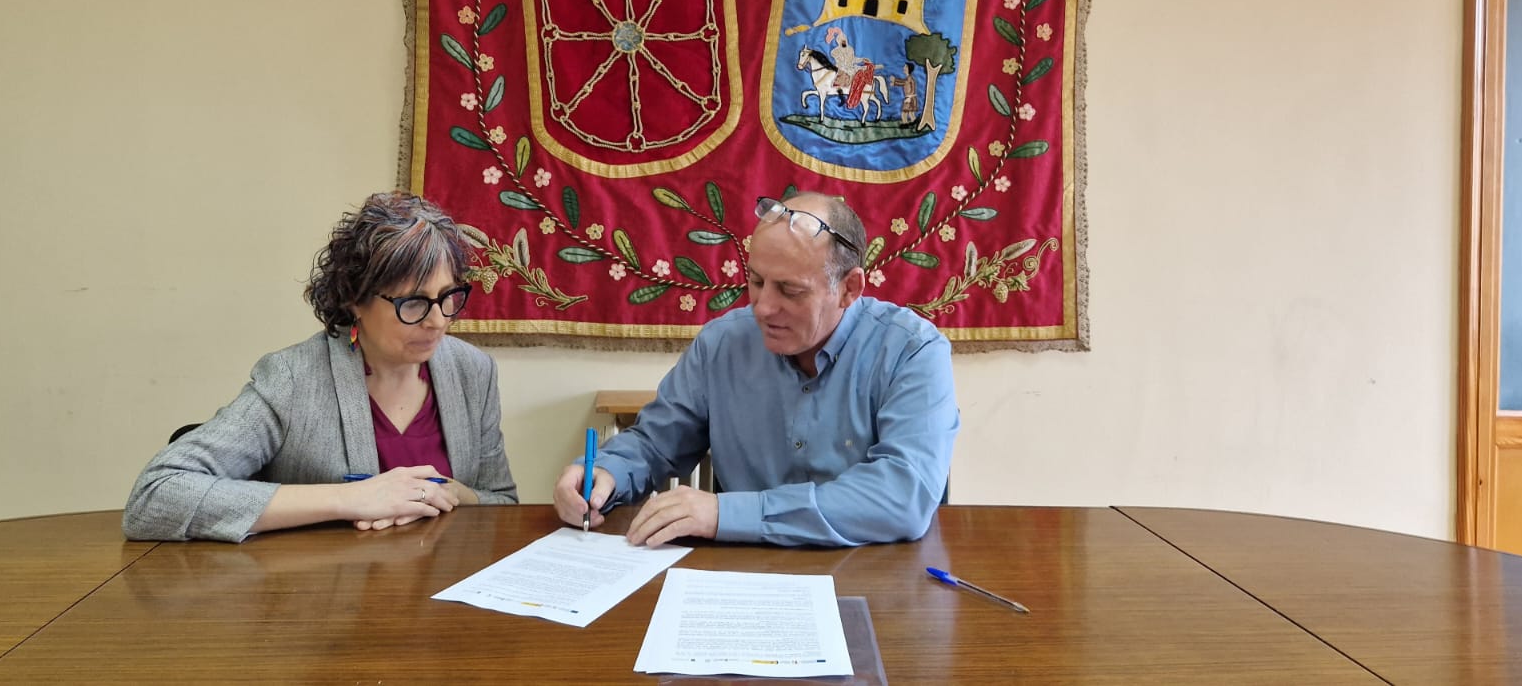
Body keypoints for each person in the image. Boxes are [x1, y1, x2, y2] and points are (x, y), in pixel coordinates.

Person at [553, 191, 958, 548]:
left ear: (849, 288)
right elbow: (656, 444)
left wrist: (728, 514)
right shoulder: (721, 344)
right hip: (745, 575)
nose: (763, 308)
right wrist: (606, 473)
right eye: (757, 281)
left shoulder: (912, 351)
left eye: (790, 290)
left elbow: (902, 496)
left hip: (874, 574)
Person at [124, 191, 517, 542]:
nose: (438, 321)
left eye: (449, 296)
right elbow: (156, 495)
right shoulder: (293, 377)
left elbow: (503, 505)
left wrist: (457, 495)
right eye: (412, 302)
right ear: (354, 299)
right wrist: (350, 499)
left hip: (447, 592)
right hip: (326, 592)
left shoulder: (473, 371)